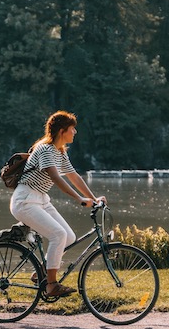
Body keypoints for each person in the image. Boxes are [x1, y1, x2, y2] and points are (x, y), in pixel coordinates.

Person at [10, 110, 105, 297]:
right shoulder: (45, 149)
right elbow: (56, 178)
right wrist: (79, 199)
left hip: (41, 199)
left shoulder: (59, 152)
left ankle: (41, 275)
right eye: (72, 129)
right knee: (58, 235)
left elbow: (73, 177)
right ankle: (51, 285)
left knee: (68, 237)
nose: (75, 133)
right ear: (62, 131)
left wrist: (93, 199)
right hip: (25, 200)